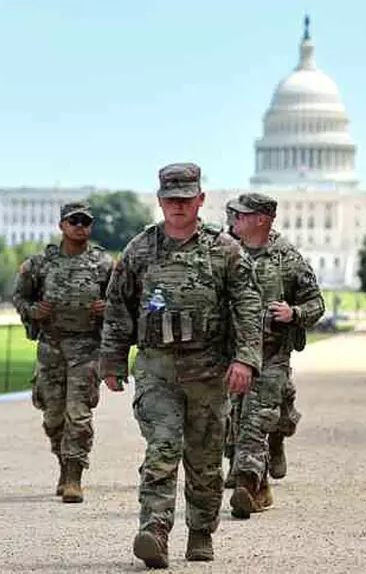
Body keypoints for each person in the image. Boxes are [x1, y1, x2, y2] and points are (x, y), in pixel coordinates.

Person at [98, 163, 263, 567]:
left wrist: (245, 359)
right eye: (171, 199)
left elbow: (248, 304)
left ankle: (202, 531)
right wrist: (112, 361)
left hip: (208, 370)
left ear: (200, 200)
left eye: (186, 199)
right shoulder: (139, 249)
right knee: (163, 446)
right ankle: (153, 529)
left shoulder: (225, 250)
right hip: (157, 368)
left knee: (205, 460)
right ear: (160, 201)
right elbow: (118, 307)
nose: (178, 206)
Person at [223, 193, 324, 518]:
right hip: (233, 355)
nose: (234, 219)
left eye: (241, 214)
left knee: (255, 421)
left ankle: (246, 484)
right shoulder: (226, 254)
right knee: (233, 421)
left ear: (261, 220)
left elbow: (316, 304)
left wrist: (293, 313)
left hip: (271, 355)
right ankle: (260, 486)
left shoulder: (287, 259)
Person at [12, 201, 113, 503]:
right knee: (53, 416)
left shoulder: (104, 264)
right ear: (62, 226)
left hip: (86, 348)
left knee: (78, 414)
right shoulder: (40, 264)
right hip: (51, 347)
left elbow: (124, 303)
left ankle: (74, 475)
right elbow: (20, 296)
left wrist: (107, 308)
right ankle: (62, 461)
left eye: (85, 221)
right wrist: (33, 310)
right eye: (73, 221)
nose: (79, 226)